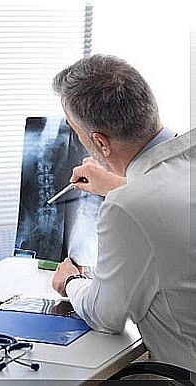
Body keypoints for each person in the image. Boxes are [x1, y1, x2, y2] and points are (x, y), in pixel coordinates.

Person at [50, 54, 195, 371]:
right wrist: (121, 185)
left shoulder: (127, 208)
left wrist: (71, 281)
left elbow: (106, 316)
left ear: (100, 143)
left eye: (76, 131)